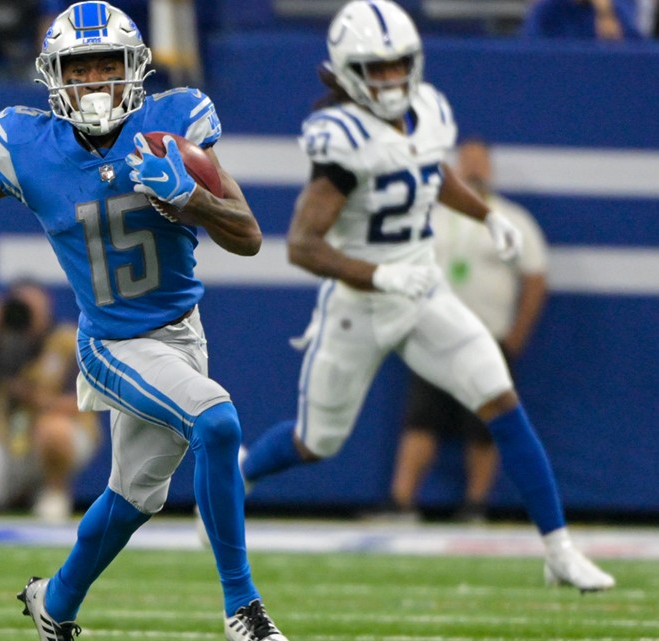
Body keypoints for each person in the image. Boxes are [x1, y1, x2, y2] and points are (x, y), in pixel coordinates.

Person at [0, 3, 287, 640]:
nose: (96, 81)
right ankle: (243, 609)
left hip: (181, 332)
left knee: (134, 497)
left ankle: (54, 602)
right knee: (217, 422)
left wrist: (190, 195)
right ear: (55, 76)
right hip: (113, 340)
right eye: (80, 69)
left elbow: (247, 235)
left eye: (109, 65)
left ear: (136, 69)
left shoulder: (172, 127)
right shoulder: (29, 146)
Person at [238, 0, 615, 593]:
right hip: (358, 307)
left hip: (423, 292)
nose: (390, 80)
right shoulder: (340, 140)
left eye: (397, 66)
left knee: (501, 401)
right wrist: (379, 275)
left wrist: (487, 215)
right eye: (375, 69)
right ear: (345, 71)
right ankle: (239, 477)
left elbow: (429, 173)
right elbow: (303, 247)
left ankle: (559, 550)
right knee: (316, 442)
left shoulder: (429, 111)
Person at [387, 138, 550, 523]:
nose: (475, 169)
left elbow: (535, 277)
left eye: (481, 163)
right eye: (468, 162)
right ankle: (401, 502)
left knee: (484, 425)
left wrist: (517, 335)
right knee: (420, 420)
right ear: (456, 168)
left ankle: (475, 504)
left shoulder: (512, 218)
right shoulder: (430, 216)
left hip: (487, 336)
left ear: (490, 169)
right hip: (432, 336)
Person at [0, 281, 101, 523]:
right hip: (10, 440)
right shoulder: (2, 340)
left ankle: (54, 491)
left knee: (54, 431)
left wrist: (34, 399)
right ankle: (18, 493)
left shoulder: (65, 341)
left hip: (61, 437)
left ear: (47, 306)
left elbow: (83, 402)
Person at [522, 0, 643, 40]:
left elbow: (638, 53)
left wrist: (606, 14)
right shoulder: (548, 9)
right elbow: (527, 48)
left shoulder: (615, 10)